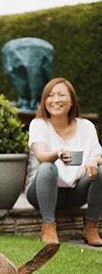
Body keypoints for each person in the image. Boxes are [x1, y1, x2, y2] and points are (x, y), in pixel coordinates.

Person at [25, 78, 102, 245]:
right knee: (47, 167)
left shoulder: (86, 126)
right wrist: (57, 154)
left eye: (61, 95)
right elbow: (41, 156)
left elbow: (98, 154)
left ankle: (91, 227)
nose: (55, 100)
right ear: (44, 101)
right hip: (40, 192)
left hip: (74, 192)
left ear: (72, 100)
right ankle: (49, 226)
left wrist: (92, 161)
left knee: (101, 170)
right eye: (50, 95)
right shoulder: (38, 124)